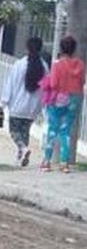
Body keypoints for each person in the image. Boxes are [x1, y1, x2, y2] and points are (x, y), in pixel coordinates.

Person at [0, 37, 48, 167]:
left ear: (27, 48)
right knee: (25, 132)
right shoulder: (44, 66)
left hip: (17, 106)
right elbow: (46, 88)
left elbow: (10, 84)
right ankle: (20, 158)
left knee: (14, 132)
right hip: (32, 108)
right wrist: (43, 107)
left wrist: (3, 102)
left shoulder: (19, 64)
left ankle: (23, 149)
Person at [40, 36, 85, 173]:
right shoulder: (81, 65)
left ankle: (47, 162)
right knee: (66, 131)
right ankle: (64, 163)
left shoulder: (57, 64)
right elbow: (82, 82)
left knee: (53, 129)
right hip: (75, 99)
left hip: (58, 98)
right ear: (74, 49)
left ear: (61, 48)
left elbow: (53, 84)